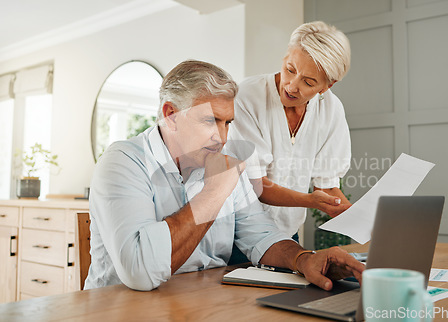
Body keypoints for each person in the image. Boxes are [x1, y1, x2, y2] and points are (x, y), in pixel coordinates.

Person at [84, 59, 364, 292]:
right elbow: (140, 273)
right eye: (209, 121)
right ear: (170, 114)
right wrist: (213, 194)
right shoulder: (122, 162)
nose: (222, 137)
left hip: (201, 302)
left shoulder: (220, 159)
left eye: (227, 122)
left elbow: (260, 235)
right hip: (119, 308)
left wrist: (304, 259)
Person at [228, 21, 353, 243]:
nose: (292, 86)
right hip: (237, 235)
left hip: (287, 235)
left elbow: (327, 185)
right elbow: (257, 184)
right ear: (285, 57)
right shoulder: (247, 96)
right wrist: (311, 200)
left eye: (308, 82)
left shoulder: (331, 110)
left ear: (326, 86)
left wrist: (357, 216)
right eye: (290, 70)